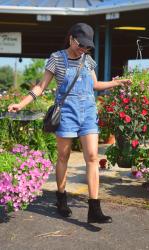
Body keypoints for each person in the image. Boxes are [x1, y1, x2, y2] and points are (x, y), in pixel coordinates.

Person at [8, 23, 131, 224]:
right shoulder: (56, 58)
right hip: (66, 113)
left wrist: (118, 82)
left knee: (92, 157)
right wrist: (21, 104)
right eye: (81, 45)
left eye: (87, 47)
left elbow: (95, 85)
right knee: (64, 156)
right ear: (72, 38)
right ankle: (62, 197)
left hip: (89, 113)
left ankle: (94, 208)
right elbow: (41, 87)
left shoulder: (88, 60)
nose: (83, 49)